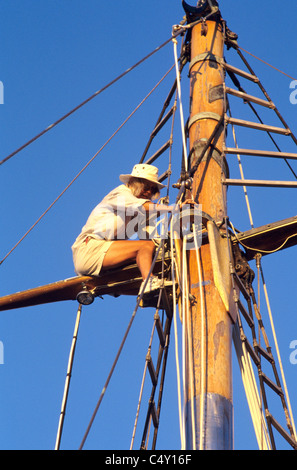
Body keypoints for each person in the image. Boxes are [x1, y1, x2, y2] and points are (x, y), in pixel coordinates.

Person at [71, 164, 176, 295]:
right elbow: (143, 208)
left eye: (153, 190)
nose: (149, 192)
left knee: (149, 253)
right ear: (132, 183)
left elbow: (150, 238)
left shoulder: (140, 214)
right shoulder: (120, 193)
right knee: (144, 247)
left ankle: (154, 289)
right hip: (90, 249)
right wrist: (174, 208)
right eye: (146, 187)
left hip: (105, 256)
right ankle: (149, 281)